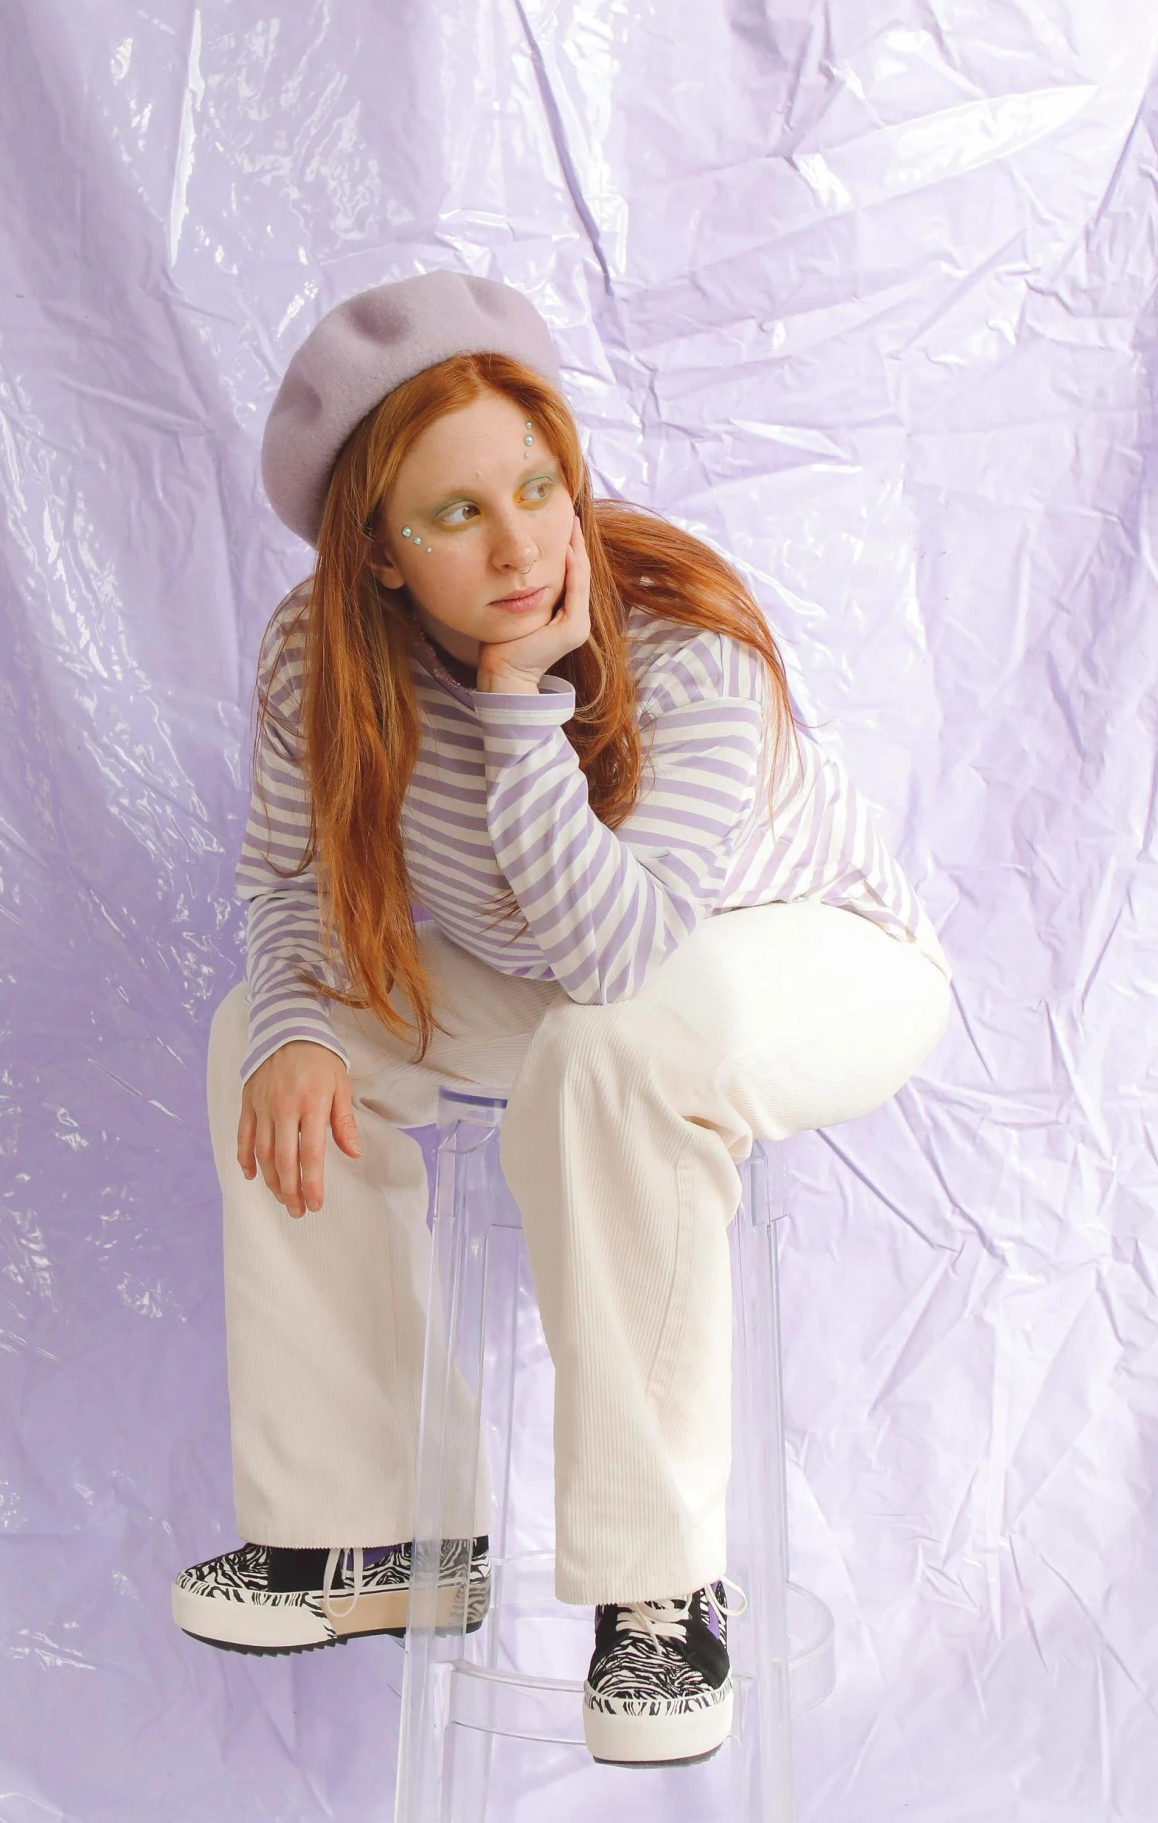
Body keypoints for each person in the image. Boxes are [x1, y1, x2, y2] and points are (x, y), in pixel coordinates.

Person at [172, 270, 950, 1769]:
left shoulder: (681, 651)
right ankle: (377, 1538)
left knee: (613, 1051)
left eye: (540, 486)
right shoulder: (318, 664)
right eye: (457, 513)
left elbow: (619, 955)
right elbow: (285, 889)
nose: (526, 543)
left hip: (798, 954)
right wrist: (296, 1026)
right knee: (264, 1041)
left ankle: (662, 1594)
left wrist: (523, 703)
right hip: (574, 971)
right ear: (381, 557)